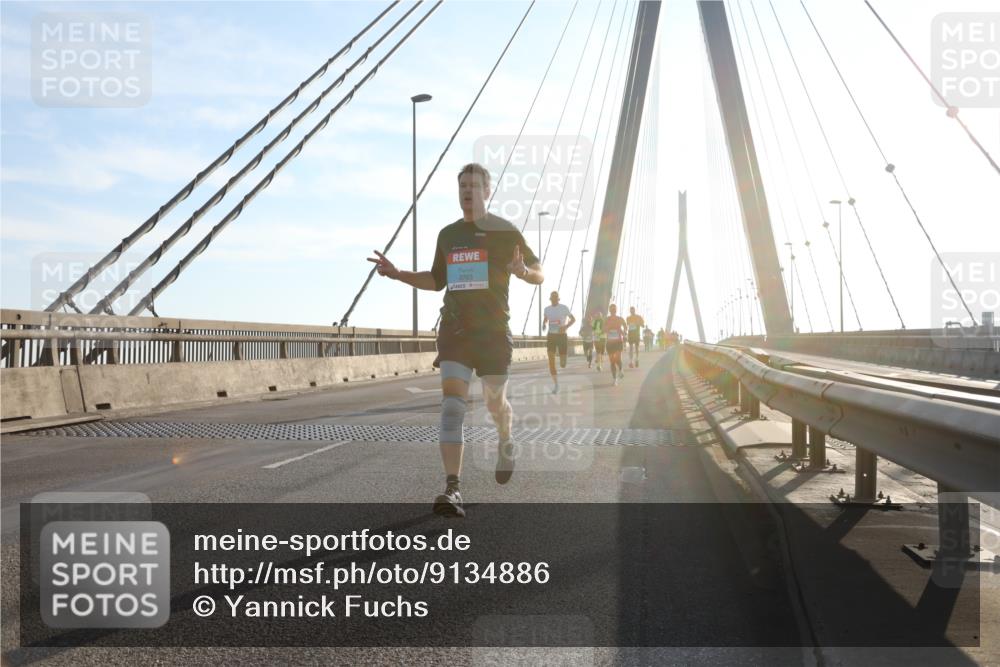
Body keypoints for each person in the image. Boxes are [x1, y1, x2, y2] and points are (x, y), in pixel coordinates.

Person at [368, 163, 543, 518]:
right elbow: (436, 280)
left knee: (496, 405)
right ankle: (453, 488)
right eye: (462, 185)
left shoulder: (506, 232)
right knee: (452, 406)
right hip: (456, 331)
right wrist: (399, 274)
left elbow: (540, 274)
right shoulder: (448, 235)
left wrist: (522, 272)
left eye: (475, 185)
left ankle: (506, 439)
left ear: (487, 191)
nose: (467, 191)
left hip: (493, 333)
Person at [543, 291, 575, 394]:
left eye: (556, 298)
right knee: (551, 361)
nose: (554, 299)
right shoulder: (547, 309)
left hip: (562, 336)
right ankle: (556, 385)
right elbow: (545, 319)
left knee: (563, 364)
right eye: (552, 298)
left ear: (558, 299)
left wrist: (566, 326)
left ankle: (563, 361)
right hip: (551, 336)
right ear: (550, 299)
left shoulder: (564, 308)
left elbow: (573, 319)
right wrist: (544, 324)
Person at [604, 304, 627, 386]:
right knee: (612, 361)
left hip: (618, 342)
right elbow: (603, 329)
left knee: (617, 358)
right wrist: (606, 329)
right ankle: (614, 379)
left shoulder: (619, 318)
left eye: (614, 309)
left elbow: (625, 325)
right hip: (610, 342)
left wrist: (624, 331)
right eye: (611, 309)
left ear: (616, 310)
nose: (613, 311)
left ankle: (621, 369)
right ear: (610, 311)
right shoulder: (606, 319)